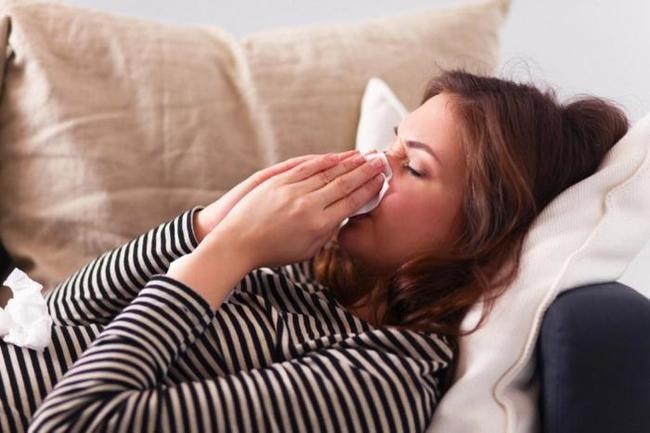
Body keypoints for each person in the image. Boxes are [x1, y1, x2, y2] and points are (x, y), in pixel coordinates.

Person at [1, 68, 628, 433]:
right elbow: (50, 319)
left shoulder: (380, 380)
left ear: (482, 235)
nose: (372, 166)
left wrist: (228, 254)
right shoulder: (307, 279)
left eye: (413, 167)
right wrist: (208, 226)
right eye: (389, 143)